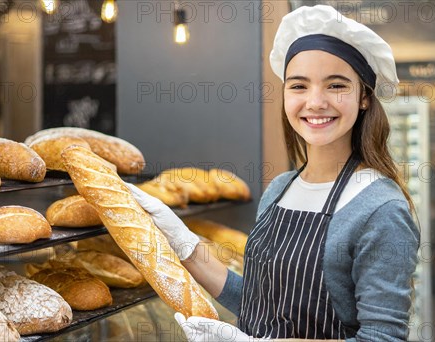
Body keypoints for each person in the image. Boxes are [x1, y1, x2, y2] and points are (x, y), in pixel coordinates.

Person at [128, 5, 420, 342]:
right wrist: (184, 244)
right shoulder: (281, 188)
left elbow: (382, 338)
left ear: (364, 97)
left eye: (336, 85)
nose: (315, 102)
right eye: (298, 86)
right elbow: (258, 301)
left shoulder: (381, 209)